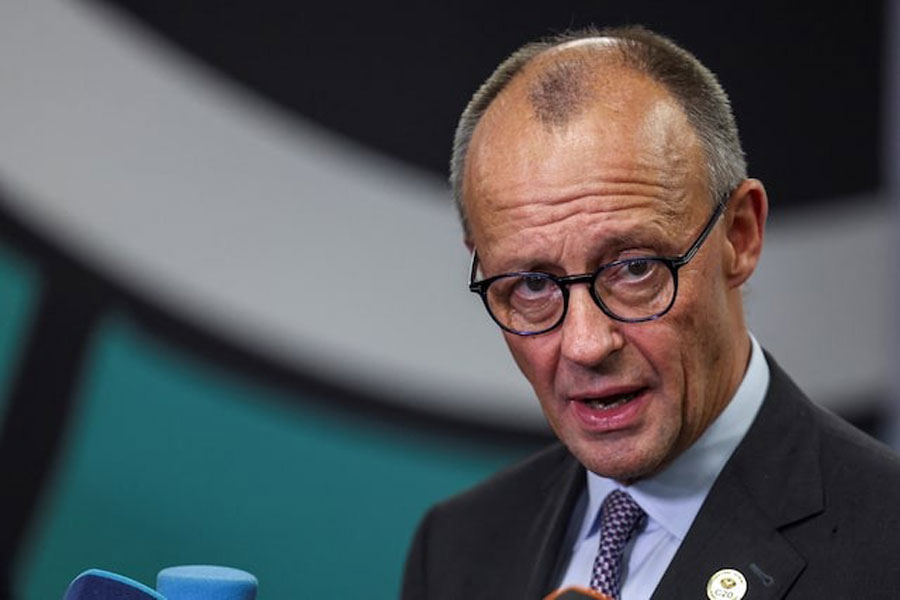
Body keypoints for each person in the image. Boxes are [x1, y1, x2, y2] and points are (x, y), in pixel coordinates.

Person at [401, 25, 900, 600]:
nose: (586, 344)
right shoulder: (456, 547)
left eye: (634, 268)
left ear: (739, 235)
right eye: (533, 283)